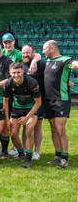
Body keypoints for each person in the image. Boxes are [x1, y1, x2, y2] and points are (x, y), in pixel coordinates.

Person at [42, 40, 78, 168]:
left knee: (60, 129)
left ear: (52, 48)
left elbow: (74, 65)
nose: (43, 51)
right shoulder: (47, 61)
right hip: (48, 100)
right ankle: (58, 155)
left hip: (61, 100)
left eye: (44, 48)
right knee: (53, 128)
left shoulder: (65, 60)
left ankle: (65, 158)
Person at [3, 62, 41, 168]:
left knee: (29, 128)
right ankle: (20, 154)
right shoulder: (8, 83)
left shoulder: (32, 82)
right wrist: (7, 120)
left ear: (23, 72)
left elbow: (38, 103)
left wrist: (27, 117)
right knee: (13, 134)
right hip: (17, 108)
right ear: (10, 73)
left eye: (18, 72)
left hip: (31, 108)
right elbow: (5, 102)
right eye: (13, 73)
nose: (16, 75)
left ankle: (28, 158)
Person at [22, 44, 46, 160]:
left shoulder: (41, 65)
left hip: (38, 100)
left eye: (28, 53)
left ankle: (36, 152)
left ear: (33, 53)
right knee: (24, 126)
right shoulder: (20, 66)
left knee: (37, 127)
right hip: (23, 101)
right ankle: (24, 150)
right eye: (24, 53)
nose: (26, 55)